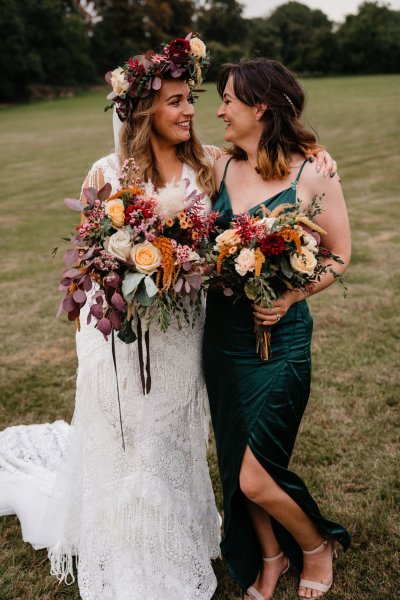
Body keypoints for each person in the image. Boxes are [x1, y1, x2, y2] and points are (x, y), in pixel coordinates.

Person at [0, 39, 337, 599]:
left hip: (186, 336)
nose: (190, 111)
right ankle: (130, 550)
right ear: (143, 110)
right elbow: (84, 270)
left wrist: (320, 154)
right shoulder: (106, 173)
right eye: (177, 101)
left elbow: (280, 160)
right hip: (124, 341)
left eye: (192, 100)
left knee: (171, 443)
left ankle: (177, 535)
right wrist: (94, 322)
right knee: (131, 445)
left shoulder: (210, 164)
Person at [202, 58, 351, 600]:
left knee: (256, 473)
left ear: (260, 107)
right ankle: (271, 556)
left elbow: (339, 255)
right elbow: (154, 143)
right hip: (221, 341)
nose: (218, 110)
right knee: (238, 457)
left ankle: (316, 544)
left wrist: (290, 294)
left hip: (280, 342)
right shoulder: (216, 166)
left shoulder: (313, 173)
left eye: (228, 100)